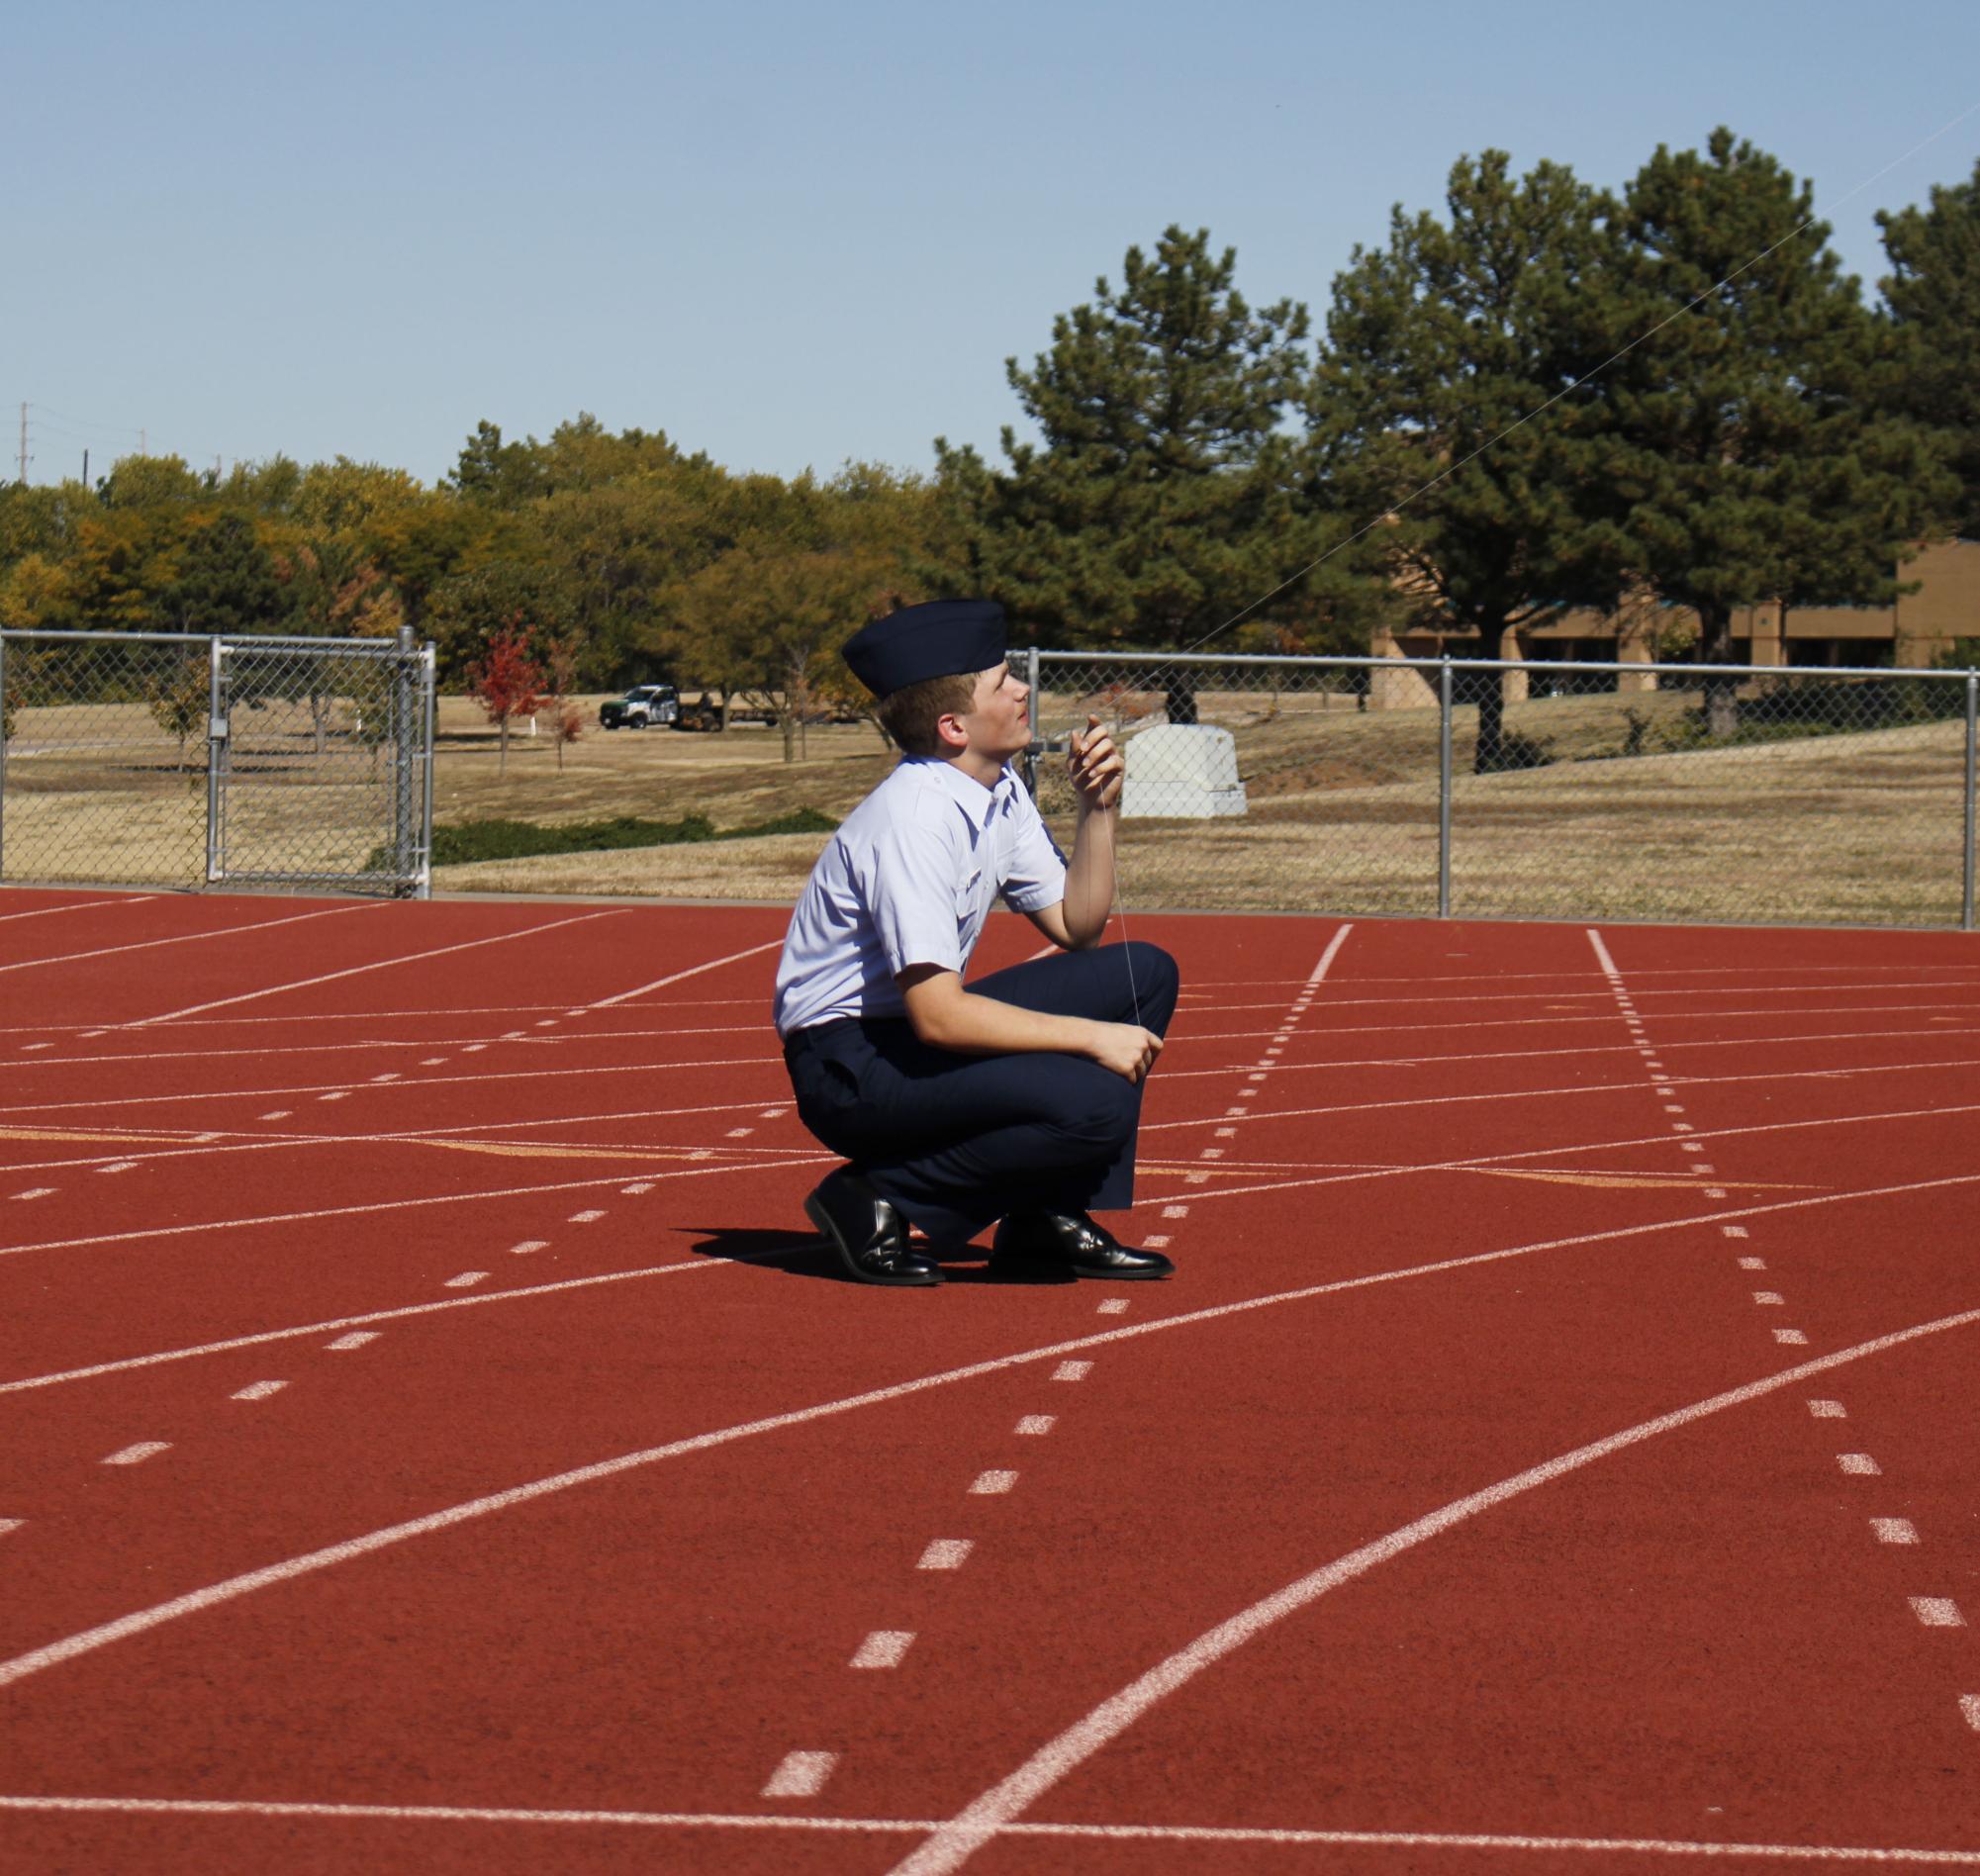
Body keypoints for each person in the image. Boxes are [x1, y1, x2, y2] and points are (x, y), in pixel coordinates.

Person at [774, 598, 1180, 1287]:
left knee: (1143, 972)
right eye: (1001, 682)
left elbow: (1075, 926)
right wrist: (1088, 1039)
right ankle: (877, 1196)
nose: (1023, 689)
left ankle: (1044, 1219)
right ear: (952, 724)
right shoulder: (915, 820)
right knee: (1095, 1100)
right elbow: (939, 1018)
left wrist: (1098, 809)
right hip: (848, 1065)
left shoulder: (997, 790)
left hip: (902, 1038)